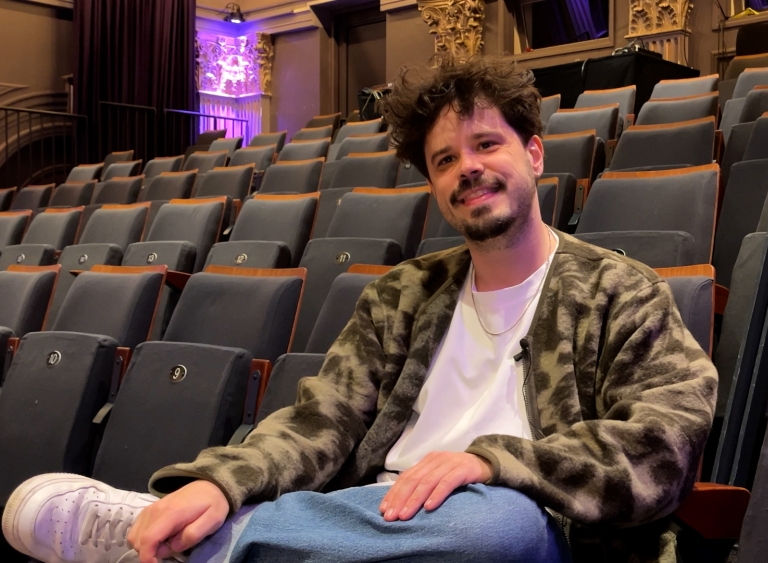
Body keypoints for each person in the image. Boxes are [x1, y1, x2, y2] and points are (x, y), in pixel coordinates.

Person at [2, 56, 717, 563]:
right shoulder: (402, 294)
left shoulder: (620, 291)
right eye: (443, 160)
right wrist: (223, 480)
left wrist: (494, 461)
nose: (466, 166)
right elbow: (324, 420)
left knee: (495, 526)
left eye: (487, 143)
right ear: (434, 185)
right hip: (373, 519)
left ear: (534, 152)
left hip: (518, 528)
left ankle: (203, 547)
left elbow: (665, 444)